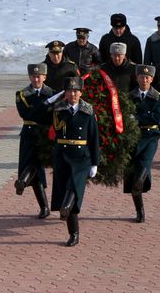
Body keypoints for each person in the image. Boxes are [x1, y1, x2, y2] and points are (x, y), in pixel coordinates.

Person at [47, 76, 99, 247]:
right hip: (62, 156)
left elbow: (93, 137)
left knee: (73, 188)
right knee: (64, 192)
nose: (73, 94)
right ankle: (73, 233)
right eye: (69, 91)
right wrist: (50, 100)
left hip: (81, 157)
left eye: (76, 91)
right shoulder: (58, 109)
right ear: (65, 93)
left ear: (81, 92)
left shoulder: (87, 111)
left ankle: (69, 216)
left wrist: (94, 163)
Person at [124, 64, 160, 222]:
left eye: (147, 77)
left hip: (150, 136)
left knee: (144, 165)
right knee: (133, 173)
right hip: (134, 137)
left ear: (152, 79)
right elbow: (126, 115)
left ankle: (140, 185)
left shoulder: (158, 97)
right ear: (137, 78)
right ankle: (139, 210)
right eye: (141, 77)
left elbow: (157, 118)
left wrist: (137, 119)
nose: (144, 80)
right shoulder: (130, 96)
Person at [14, 63, 52, 219]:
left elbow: (49, 116)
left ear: (44, 77)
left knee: (36, 163)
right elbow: (25, 114)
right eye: (33, 76)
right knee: (33, 168)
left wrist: (38, 111)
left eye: (39, 76)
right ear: (29, 77)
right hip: (29, 134)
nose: (36, 79)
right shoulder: (22, 94)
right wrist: (43, 108)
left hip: (44, 135)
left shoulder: (52, 93)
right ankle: (44, 207)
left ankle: (22, 181)